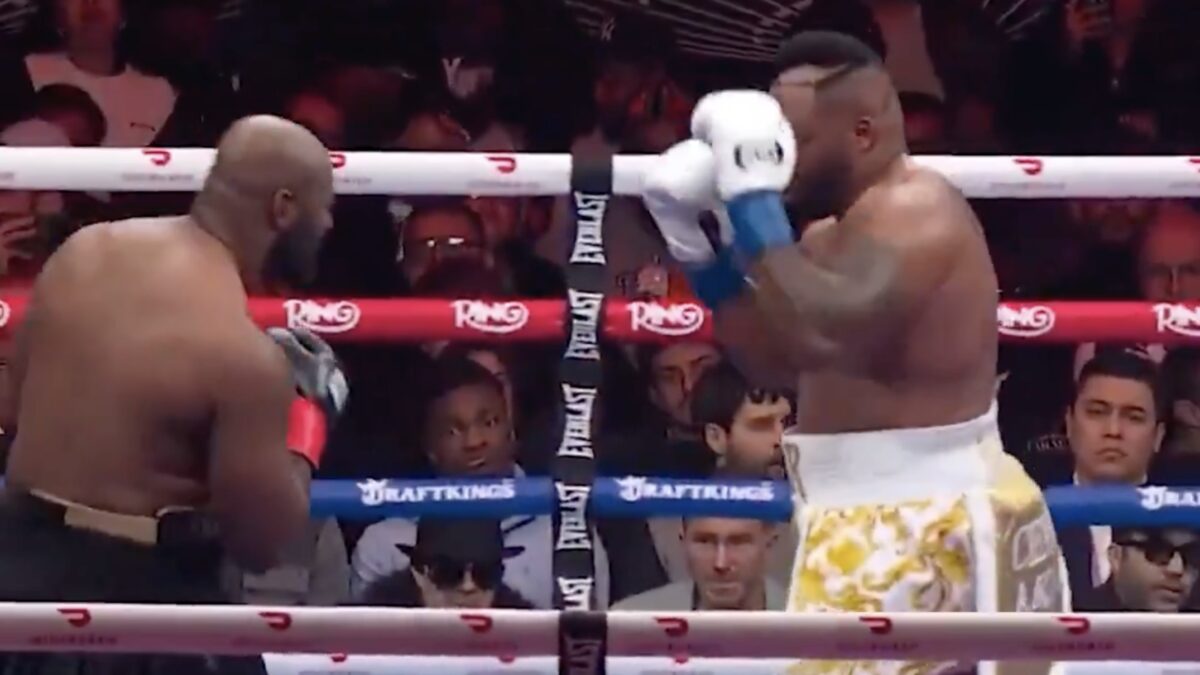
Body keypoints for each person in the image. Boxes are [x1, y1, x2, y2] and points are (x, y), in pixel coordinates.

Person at [641, 31, 1065, 674]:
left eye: (793, 143)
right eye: (768, 149)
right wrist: (704, 249)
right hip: (855, 516)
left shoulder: (919, 207)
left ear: (862, 133)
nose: (779, 165)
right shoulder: (822, 240)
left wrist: (750, 204)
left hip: (931, 519)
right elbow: (780, 360)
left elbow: (829, 327)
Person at [0, 115, 343, 675]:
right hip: (141, 594)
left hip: (15, 564)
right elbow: (260, 542)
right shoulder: (242, 356)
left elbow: (11, 408)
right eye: (323, 207)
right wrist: (308, 418)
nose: (327, 223)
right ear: (283, 208)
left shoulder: (85, 251)